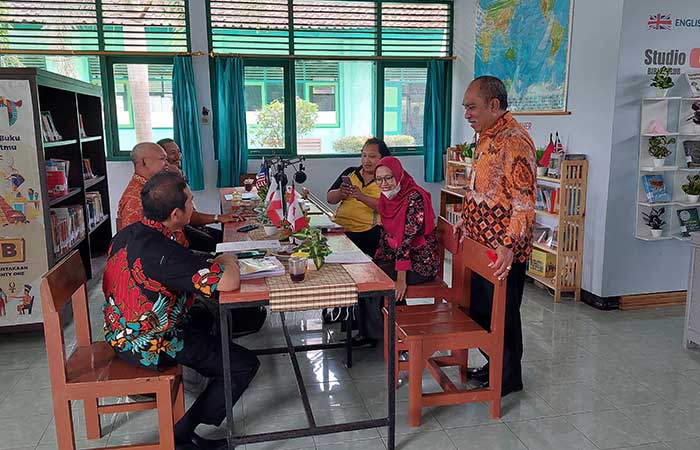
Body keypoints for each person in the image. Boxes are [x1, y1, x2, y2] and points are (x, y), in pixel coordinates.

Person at [103, 171, 259, 450]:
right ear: (176, 214)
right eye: (190, 201)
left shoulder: (130, 233)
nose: (193, 204)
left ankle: (206, 375)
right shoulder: (164, 251)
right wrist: (228, 258)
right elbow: (229, 281)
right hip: (150, 342)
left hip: (121, 329)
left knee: (214, 315)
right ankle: (182, 435)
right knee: (242, 364)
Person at [454, 76, 537, 397]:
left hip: (501, 251)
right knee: (479, 311)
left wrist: (508, 245)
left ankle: (508, 377)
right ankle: (495, 364)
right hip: (478, 243)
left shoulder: (514, 140)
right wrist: (464, 218)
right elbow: (479, 187)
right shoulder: (485, 138)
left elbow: (524, 202)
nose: (467, 114)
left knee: (502, 315)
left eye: (471, 107)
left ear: (494, 105)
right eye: (465, 108)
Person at [354, 156, 439, 348]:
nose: (384, 184)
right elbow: (386, 235)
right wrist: (376, 261)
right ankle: (388, 329)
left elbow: (406, 241)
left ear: (399, 175)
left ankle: (377, 335)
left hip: (421, 263)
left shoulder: (414, 197)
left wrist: (401, 279)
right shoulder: (387, 198)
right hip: (398, 258)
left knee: (375, 280)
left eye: (389, 178)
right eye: (379, 179)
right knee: (367, 272)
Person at [118, 142, 239, 252]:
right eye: (162, 159)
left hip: (179, 242)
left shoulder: (154, 185)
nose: (166, 164)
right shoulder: (135, 201)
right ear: (144, 162)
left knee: (225, 242)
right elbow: (139, 248)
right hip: (169, 256)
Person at [157, 138, 235, 251]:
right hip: (181, 231)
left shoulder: (177, 174)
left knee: (225, 237)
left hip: (189, 225)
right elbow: (188, 216)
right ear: (163, 158)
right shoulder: (165, 183)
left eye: (179, 152)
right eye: (173, 153)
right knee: (214, 242)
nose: (178, 156)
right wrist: (219, 218)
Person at [327, 137, 390, 256]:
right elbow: (330, 199)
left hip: (367, 232)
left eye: (372, 156)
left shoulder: (387, 178)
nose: (366, 161)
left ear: (383, 158)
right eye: (364, 155)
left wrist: (361, 197)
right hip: (339, 226)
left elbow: (388, 208)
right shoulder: (350, 172)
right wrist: (341, 193)